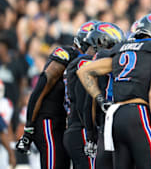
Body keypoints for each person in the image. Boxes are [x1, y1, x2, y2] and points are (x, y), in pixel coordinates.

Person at [76, 13, 151, 169]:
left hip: (115, 116)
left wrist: (100, 99)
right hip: (138, 114)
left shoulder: (121, 49)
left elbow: (83, 71)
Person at [15, 20, 97, 169]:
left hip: (64, 123)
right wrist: (29, 128)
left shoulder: (90, 62)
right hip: (48, 121)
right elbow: (41, 87)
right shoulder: (67, 54)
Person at [63, 22, 124, 169]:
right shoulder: (87, 62)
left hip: (75, 127)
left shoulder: (81, 61)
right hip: (82, 128)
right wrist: (90, 132)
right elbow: (87, 100)